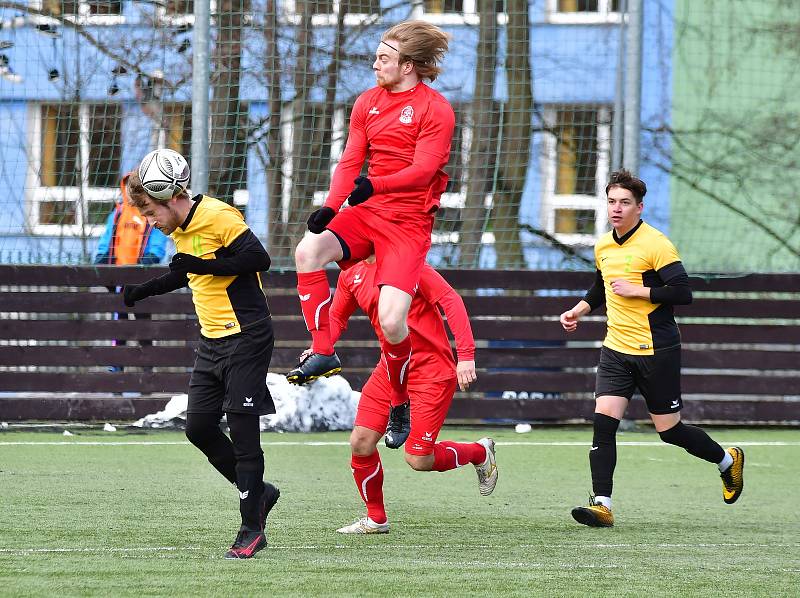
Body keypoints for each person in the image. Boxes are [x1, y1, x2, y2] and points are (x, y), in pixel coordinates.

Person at [287, 20, 456, 448]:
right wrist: (330, 206)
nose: (375, 64)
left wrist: (375, 185)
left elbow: (423, 171)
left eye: (384, 58)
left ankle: (400, 400)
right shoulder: (367, 102)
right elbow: (349, 162)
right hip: (367, 210)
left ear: (409, 65)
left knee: (393, 320)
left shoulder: (436, 109)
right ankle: (323, 349)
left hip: (407, 223)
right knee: (307, 252)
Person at [559, 169, 744, 528]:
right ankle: (602, 505)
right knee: (603, 425)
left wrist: (639, 291)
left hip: (657, 350)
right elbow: (602, 287)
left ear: (639, 207)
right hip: (616, 350)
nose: (616, 208)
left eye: (624, 202)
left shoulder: (656, 244)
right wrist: (578, 310)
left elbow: (682, 292)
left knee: (670, 431)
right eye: (612, 201)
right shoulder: (603, 245)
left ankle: (727, 461)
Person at [121, 153, 279, 559]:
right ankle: (260, 494)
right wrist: (145, 289)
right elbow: (185, 271)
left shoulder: (218, 216)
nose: (149, 221)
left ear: (173, 197)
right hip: (212, 342)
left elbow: (258, 259)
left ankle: (251, 528)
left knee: (244, 431)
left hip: (246, 336)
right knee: (199, 428)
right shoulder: (180, 228)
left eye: (151, 212)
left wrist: (201, 265)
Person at [321, 257, 497, 534]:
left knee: (418, 459)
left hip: (431, 373)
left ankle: (478, 452)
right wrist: (320, 349)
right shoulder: (350, 274)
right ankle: (376, 519)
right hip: (390, 370)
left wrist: (466, 356)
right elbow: (336, 317)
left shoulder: (408, 264)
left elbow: (451, 300)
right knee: (361, 442)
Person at [94, 171, 168, 370]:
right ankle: (117, 365)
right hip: (119, 279)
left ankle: (147, 367)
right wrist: (102, 256)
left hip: (141, 278)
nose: (131, 191)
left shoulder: (150, 214)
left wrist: (152, 256)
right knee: (120, 322)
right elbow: (107, 238)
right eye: (128, 187)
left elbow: (159, 237)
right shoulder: (118, 214)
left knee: (143, 323)